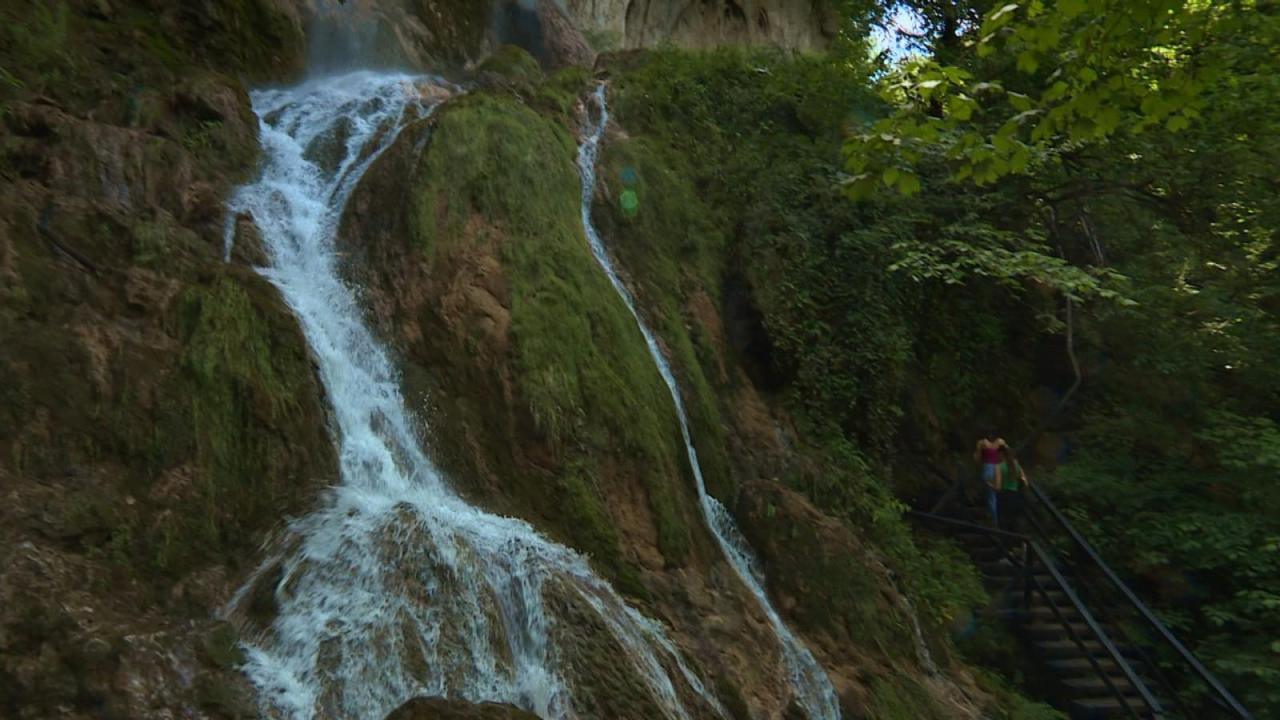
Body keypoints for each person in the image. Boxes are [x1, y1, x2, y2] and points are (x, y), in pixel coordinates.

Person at [974, 432, 1007, 525]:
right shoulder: (1000, 442)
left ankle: (994, 520)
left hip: (988, 468)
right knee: (995, 495)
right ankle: (996, 519)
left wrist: (980, 450)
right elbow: (1007, 455)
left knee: (990, 496)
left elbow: (977, 459)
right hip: (998, 469)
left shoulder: (982, 443)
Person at [995, 445, 1029, 532]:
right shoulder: (1016, 464)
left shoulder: (999, 467)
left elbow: (998, 486)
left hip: (1004, 496)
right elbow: (1025, 481)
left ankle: (1005, 541)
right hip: (1015, 495)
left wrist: (993, 486)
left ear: (1001, 454)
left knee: (1003, 520)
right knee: (1014, 520)